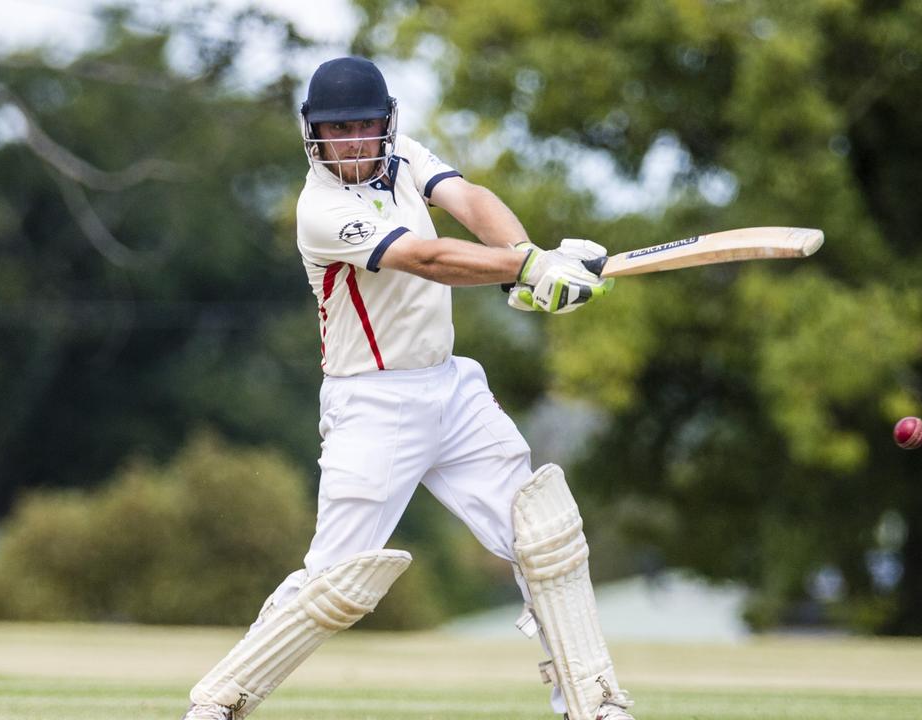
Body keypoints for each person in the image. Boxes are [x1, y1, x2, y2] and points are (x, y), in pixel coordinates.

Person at [183, 56, 634, 720]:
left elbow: (470, 200)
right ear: (315, 135)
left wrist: (527, 263)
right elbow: (426, 259)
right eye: (340, 132)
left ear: (386, 124)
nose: (356, 144)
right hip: (371, 404)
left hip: (452, 389)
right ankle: (218, 702)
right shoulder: (321, 209)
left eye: (366, 128)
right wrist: (530, 266)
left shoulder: (405, 159)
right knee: (335, 584)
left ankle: (593, 703)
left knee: (544, 534)